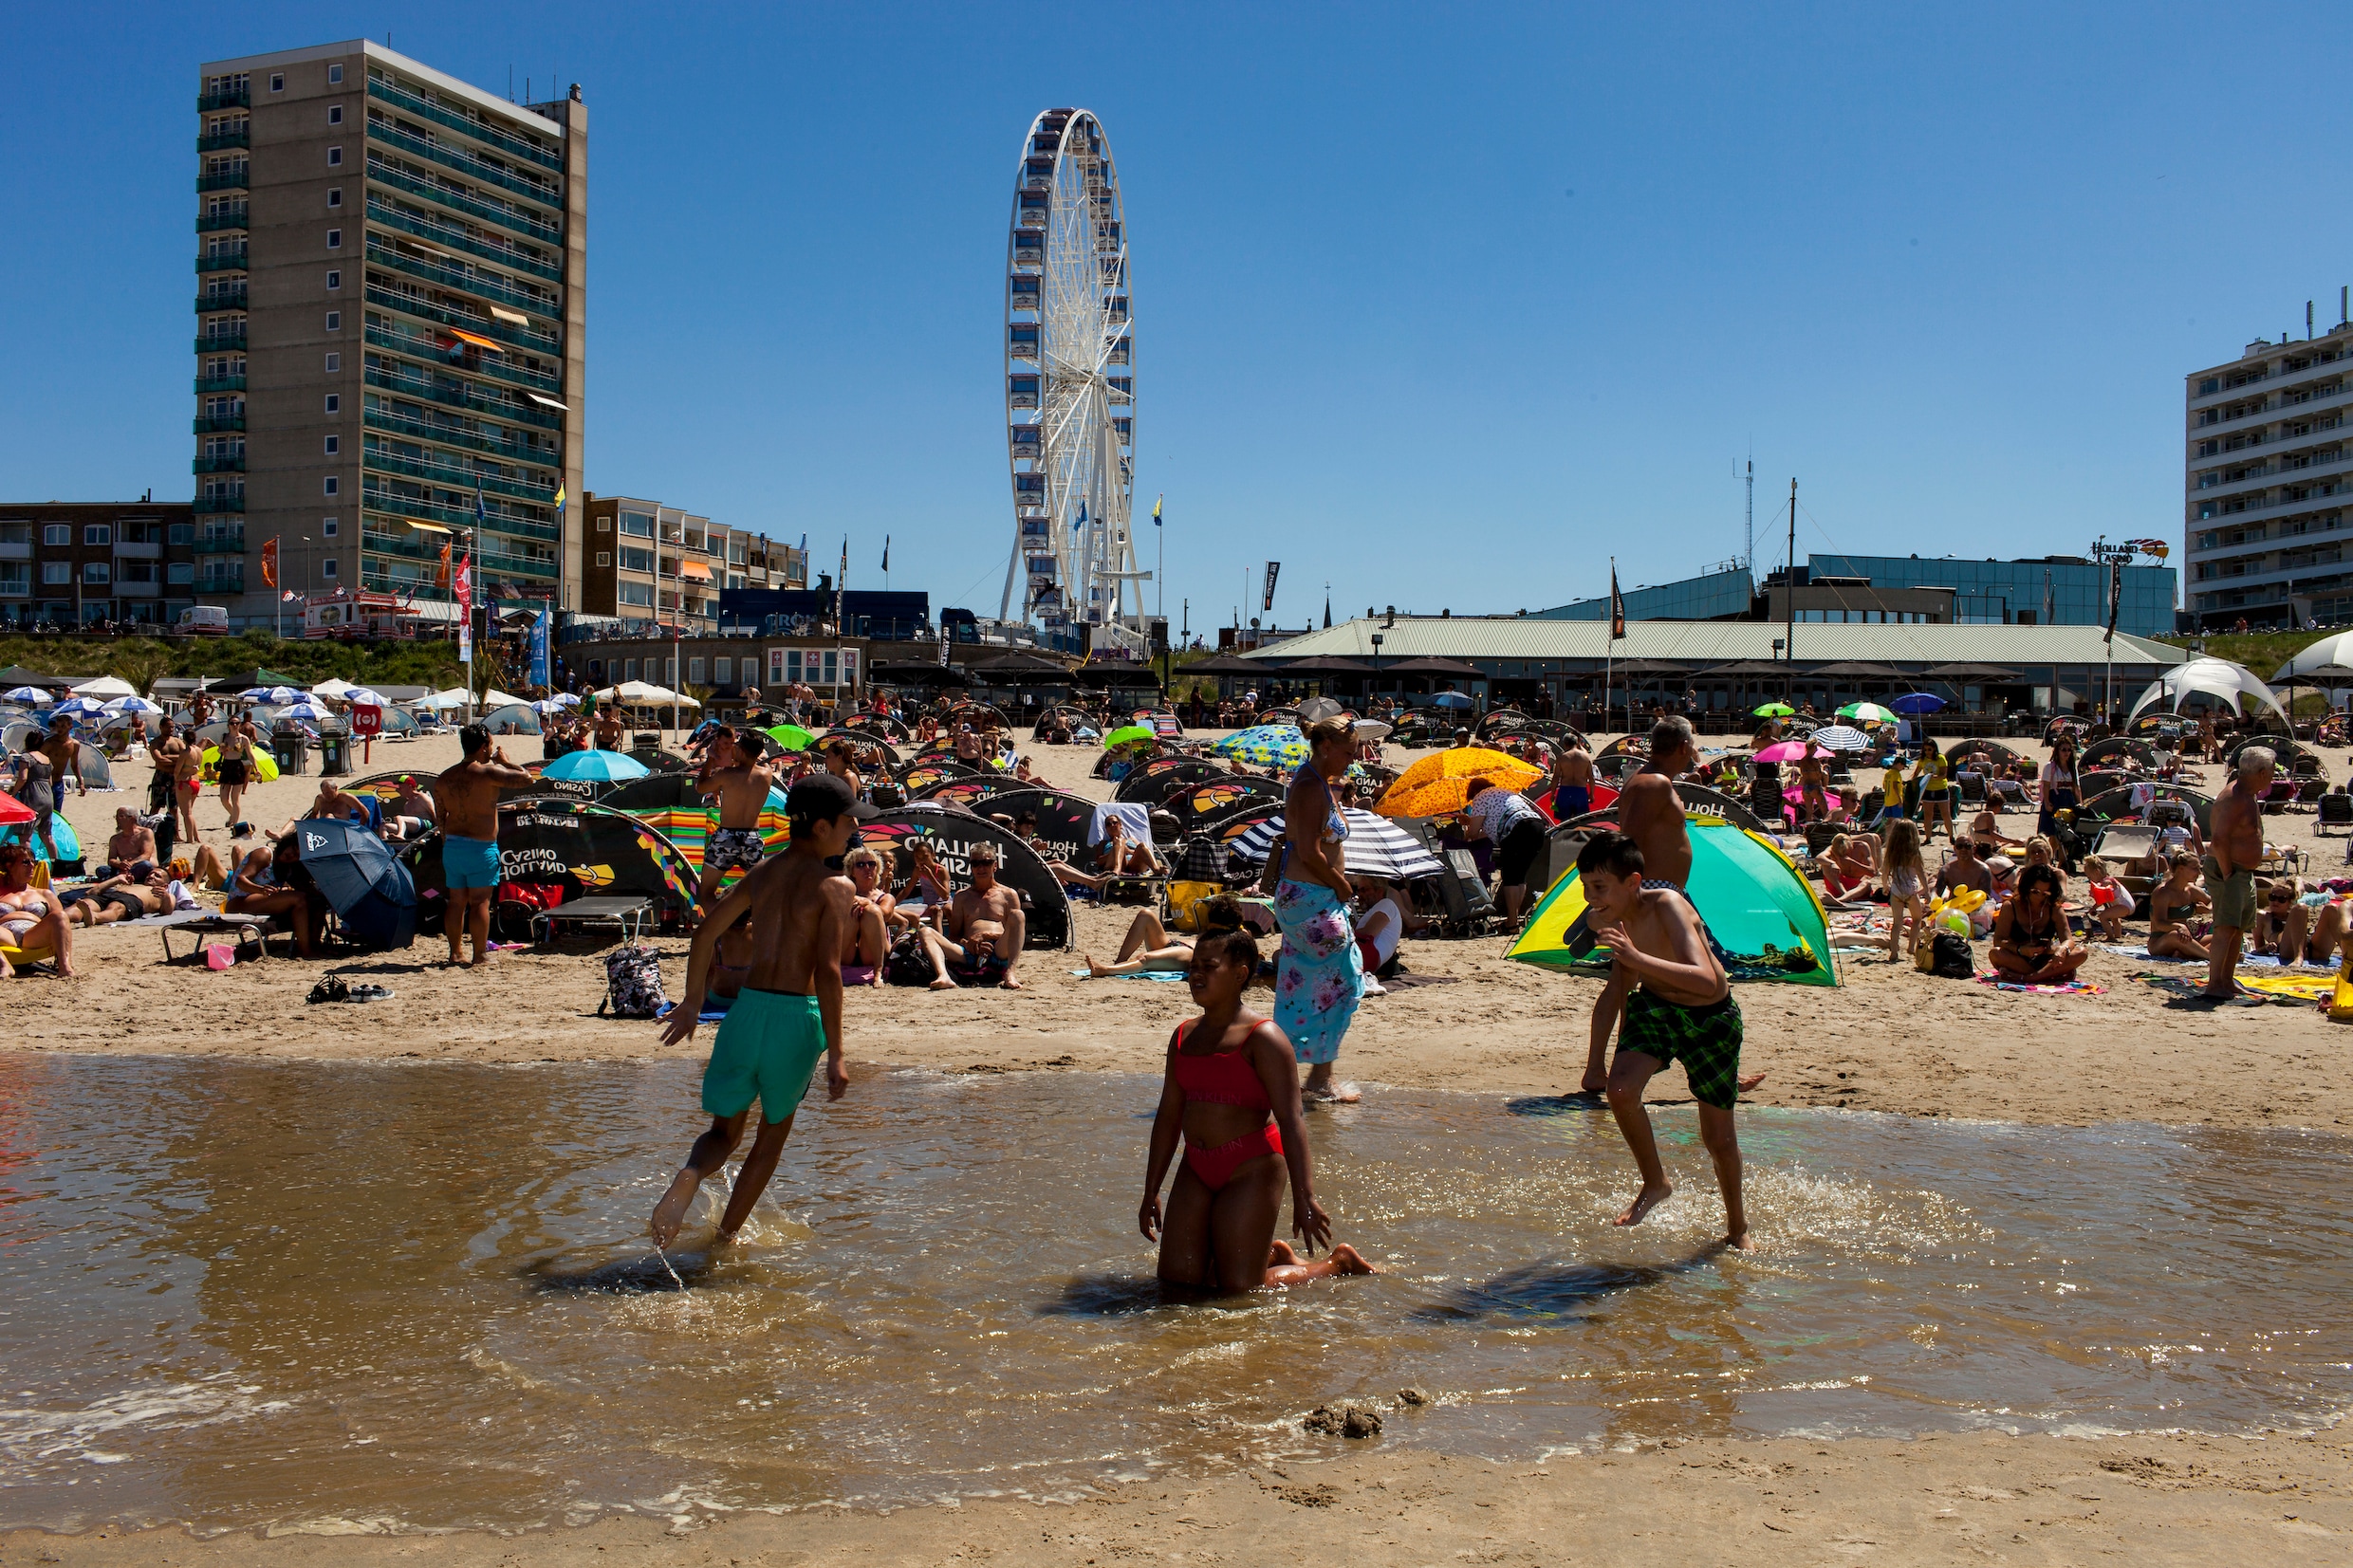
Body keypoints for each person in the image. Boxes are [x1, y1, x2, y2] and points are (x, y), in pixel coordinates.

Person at [650, 773, 862, 1250]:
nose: (854, 827)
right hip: (796, 1021)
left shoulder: (762, 872)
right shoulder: (836, 885)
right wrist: (838, 1054)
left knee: (723, 1133)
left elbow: (705, 935)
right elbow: (828, 972)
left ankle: (689, 1175)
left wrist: (692, 1004)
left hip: (745, 1015)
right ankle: (722, 1244)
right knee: (769, 1140)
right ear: (823, 827)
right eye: (849, 819)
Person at [1138, 926, 1375, 1292]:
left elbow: (1292, 1119)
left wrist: (1304, 1196)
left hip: (1251, 1168)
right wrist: (1151, 1189)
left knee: (1237, 1291)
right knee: (1176, 1284)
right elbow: (1169, 1115)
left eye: (1209, 966)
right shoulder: (1184, 1035)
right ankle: (1270, 1255)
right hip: (1197, 1165)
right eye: (1193, 966)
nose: (1196, 974)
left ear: (1239, 975)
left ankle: (1336, 1263)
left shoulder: (1264, 1038)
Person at [1574, 832, 1750, 1248]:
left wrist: (1635, 958)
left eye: (1599, 887)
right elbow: (1619, 986)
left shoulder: (1668, 905)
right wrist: (1599, 1061)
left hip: (1711, 1018)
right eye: (1585, 887)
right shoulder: (1606, 917)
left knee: (1719, 1142)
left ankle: (1737, 1228)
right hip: (1656, 1007)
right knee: (1619, 1090)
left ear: (1633, 882)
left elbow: (1708, 982)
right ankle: (1656, 1182)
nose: (1589, 897)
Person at [1264, 716, 1363, 1103]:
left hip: (1310, 897)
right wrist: (1341, 884)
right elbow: (1308, 851)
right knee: (1345, 984)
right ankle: (1317, 1080)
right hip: (1310, 897)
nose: (1352, 761)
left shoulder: (1317, 783)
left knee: (1302, 986)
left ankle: (1285, 1072)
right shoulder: (1309, 786)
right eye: (1348, 753)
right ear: (1325, 747)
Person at [432, 725, 532, 968]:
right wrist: (506, 762)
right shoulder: (489, 773)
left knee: (456, 902)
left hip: (453, 846)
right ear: (483, 747)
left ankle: (455, 953)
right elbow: (527, 779)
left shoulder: (444, 778)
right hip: (481, 846)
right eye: (489, 744)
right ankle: (479, 954)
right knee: (480, 903)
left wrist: (447, 841)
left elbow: (440, 816)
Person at [2200, 746, 2273, 1002]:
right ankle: (2214, 984)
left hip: (2242, 871)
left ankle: (2227, 981)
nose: (2274, 776)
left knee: (2238, 928)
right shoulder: (2234, 797)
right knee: (2225, 927)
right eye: (2272, 771)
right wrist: (2228, 872)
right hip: (2229, 870)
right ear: (2262, 772)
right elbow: (2219, 840)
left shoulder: (2248, 794)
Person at [916, 841, 1027, 988]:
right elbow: (954, 936)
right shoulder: (962, 896)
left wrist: (985, 936)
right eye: (975, 863)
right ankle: (943, 975)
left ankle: (1010, 974)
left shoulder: (1008, 894)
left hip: (999, 949)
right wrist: (967, 943)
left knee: (1018, 915)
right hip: (968, 951)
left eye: (986, 863)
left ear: (995, 865)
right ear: (971, 868)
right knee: (925, 932)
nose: (981, 868)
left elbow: (1014, 934)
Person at [695, 730, 782, 910]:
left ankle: (722, 930)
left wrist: (711, 758)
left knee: (706, 892)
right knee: (759, 894)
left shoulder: (726, 774)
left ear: (741, 750)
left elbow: (700, 787)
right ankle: (754, 931)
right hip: (752, 837)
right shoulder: (766, 774)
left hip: (727, 835)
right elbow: (747, 766)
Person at [1084, 895, 1271, 977]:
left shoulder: (1236, 935)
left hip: (1187, 953)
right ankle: (1120, 962)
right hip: (1173, 943)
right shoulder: (1224, 927)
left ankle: (1105, 970)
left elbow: (1246, 954)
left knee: (1145, 959)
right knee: (1145, 914)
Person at [1460, 776, 1547, 924]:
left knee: (1510, 877)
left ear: (1474, 791)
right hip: (1536, 826)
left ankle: (1511, 922)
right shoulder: (1505, 793)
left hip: (1516, 829)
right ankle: (1514, 918)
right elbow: (1489, 829)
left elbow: (1473, 834)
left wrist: (1466, 828)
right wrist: (1470, 821)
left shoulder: (1480, 797)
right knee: (1519, 876)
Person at [224, 836, 322, 959]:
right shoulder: (265, 854)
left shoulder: (288, 867)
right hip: (239, 902)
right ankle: (306, 951)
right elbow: (240, 881)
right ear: (287, 843)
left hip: (259, 902)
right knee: (299, 899)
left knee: (316, 901)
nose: (292, 855)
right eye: (294, 849)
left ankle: (316, 946)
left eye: (297, 855)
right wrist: (260, 890)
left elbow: (305, 889)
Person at [1990, 863, 2085, 983]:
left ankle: (2030, 977)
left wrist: (2062, 949)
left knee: (2081, 952)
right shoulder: (2011, 906)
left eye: (2045, 894)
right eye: (2035, 891)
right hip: (2019, 957)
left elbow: (2068, 939)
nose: (2039, 897)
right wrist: (2020, 949)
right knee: (1996, 954)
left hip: (2047, 958)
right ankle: (2050, 974)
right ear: (2026, 888)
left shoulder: (2054, 908)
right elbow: (1998, 940)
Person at [0, 843, 75, 975]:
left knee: (60, 915)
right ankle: (5, 965)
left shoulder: (44, 894)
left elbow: (62, 924)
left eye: (33, 862)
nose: (31, 866)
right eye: (25, 862)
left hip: (34, 934)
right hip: (5, 935)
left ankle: (65, 966)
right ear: (9, 866)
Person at [2251, 882, 2349, 968]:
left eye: (2281, 899)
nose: (2275, 902)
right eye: (2272, 897)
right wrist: (2266, 947)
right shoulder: (2263, 917)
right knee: (2301, 908)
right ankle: (2298, 957)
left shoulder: (2295, 915)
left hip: (2312, 949)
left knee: (2331, 908)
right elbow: (2257, 949)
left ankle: (2349, 954)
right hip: (2288, 950)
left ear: (2290, 902)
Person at [838, 845, 892, 986]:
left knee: (872, 911)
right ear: (852, 871)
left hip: (872, 951)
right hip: (848, 950)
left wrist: (867, 903)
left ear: (877, 869)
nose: (867, 868)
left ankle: (878, 972)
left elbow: (885, 914)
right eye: (860, 865)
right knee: (851, 906)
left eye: (871, 864)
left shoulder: (885, 897)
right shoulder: (844, 895)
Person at [2146, 850, 2211, 961]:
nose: (2199, 872)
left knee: (2223, 937)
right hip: (2161, 941)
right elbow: (2159, 923)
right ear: (2181, 869)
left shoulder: (2190, 889)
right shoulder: (2163, 892)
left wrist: (2207, 909)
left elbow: (2211, 901)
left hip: (2187, 939)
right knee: (2175, 936)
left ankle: (2187, 954)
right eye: (2195, 868)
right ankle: (2211, 957)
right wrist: (2180, 926)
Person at [1883, 819, 1928, 963]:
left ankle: (1894, 952)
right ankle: (1910, 947)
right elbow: (1921, 873)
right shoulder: (1914, 853)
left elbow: (1885, 871)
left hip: (1896, 889)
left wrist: (1885, 886)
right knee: (1917, 919)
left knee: (1897, 923)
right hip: (1911, 890)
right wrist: (1926, 890)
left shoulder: (1892, 853)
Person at [1352, 872, 1403, 987]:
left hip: (1367, 955)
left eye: (1364, 890)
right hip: (1363, 954)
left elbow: (1368, 933)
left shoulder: (1387, 904)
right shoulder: (1374, 910)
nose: (1360, 894)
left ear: (1379, 891)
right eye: (1359, 890)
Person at [215, 711, 258, 830]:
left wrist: (257, 769)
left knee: (235, 798)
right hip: (226, 765)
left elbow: (250, 754)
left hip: (237, 766)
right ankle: (233, 815)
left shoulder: (243, 739)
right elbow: (219, 751)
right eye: (232, 723)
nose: (235, 725)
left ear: (240, 725)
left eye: (237, 723)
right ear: (228, 725)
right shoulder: (225, 737)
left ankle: (234, 823)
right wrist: (222, 749)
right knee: (224, 798)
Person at [2037, 735, 2079, 844]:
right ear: (2057, 751)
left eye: (2069, 750)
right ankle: (2053, 857)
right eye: (2063, 750)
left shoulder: (2072, 768)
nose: (2066, 753)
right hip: (2055, 798)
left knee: (2067, 832)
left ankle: (2062, 858)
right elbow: (2046, 785)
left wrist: (2080, 803)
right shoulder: (2050, 766)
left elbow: (2076, 788)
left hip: (2068, 799)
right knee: (2053, 832)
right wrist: (2047, 802)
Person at [97, 807, 157, 880]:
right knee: (101, 870)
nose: (117, 819)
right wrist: (119, 864)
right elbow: (111, 859)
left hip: (140, 866)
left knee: (146, 865)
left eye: (121, 816)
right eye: (116, 817)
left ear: (132, 818)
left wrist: (130, 863)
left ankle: (120, 877)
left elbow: (146, 855)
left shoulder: (145, 833)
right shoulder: (115, 839)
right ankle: (125, 876)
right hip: (123, 869)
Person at [2081, 855, 2130, 943]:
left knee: (2102, 917)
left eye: (2090, 877)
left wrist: (2094, 908)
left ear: (2096, 872)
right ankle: (2117, 936)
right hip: (2126, 905)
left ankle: (2110, 937)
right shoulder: (2109, 880)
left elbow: (2103, 898)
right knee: (2114, 918)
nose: (2090, 880)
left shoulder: (2106, 882)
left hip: (2123, 906)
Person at [1914, 738, 1952, 839]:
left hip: (1940, 788)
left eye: (1929, 750)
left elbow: (1944, 774)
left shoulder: (1940, 758)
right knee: (1928, 814)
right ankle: (1928, 837)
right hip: (1927, 789)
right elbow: (1916, 773)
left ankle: (1951, 836)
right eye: (1925, 750)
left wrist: (1935, 777)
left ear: (1934, 749)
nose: (1927, 752)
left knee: (1945, 814)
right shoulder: (1923, 759)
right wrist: (1913, 783)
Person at [382, 774, 438, 840]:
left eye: (400, 788)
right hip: (414, 831)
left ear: (409, 786)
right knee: (384, 827)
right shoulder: (407, 805)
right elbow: (408, 823)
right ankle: (384, 846)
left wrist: (437, 829)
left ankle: (400, 835)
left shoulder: (422, 797)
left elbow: (434, 814)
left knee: (399, 818)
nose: (398, 790)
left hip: (426, 825)